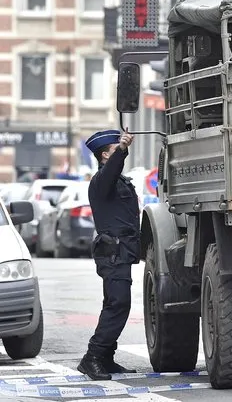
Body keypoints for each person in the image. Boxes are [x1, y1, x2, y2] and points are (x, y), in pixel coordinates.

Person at [77, 128, 139, 380]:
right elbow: (113, 169)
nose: (121, 154)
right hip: (113, 252)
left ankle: (105, 358)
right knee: (118, 303)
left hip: (121, 252)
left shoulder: (118, 181)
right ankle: (92, 357)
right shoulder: (102, 180)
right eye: (114, 150)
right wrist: (121, 150)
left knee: (114, 303)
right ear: (105, 155)